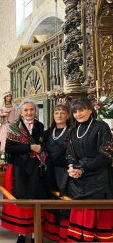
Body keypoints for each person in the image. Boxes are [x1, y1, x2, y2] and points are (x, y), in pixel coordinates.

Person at [63, 98, 113, 242]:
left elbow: (106, 154)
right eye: (75, 111)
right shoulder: (73, 130)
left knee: (98, 220)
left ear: (90, 110)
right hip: (79, 180)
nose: (78, 114)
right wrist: (72, 167)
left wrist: (83, 168)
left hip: (99, 179)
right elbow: (70, 153)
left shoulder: (101, 126)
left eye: (82, 110)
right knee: (80, 217)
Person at [1, 99, 47, 243]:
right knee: (21, 201)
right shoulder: (14, 127)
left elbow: (43, 144)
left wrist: (40, 149)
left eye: (31, 109)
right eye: (26, 110)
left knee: (35, 199)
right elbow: (9, 148)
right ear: (20, 112)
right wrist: (29, 148)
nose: (29, 112)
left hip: (36, 168)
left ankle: (34, 234)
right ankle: (21, 233)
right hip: (19, 168)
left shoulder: (40, 126)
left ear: (35, 111)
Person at [42, 104, 72, 242]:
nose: (59, 115)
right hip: (50, 171)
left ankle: (64, 234)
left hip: (65, 172)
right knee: (51, 199)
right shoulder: (48, 132)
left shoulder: (72, 131)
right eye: (56, 112)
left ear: (68, 115)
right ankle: (51, 232)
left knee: (64, 200)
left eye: (62, 112)